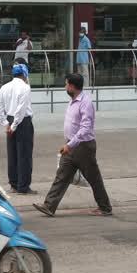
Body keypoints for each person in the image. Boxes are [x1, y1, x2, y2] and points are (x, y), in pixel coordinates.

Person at [33, 73, 113, 217]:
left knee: (93, 178)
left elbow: (85, 128)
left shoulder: (85, 103)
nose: (65, 87)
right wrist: (69, 144)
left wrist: (71, 144)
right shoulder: (73, 100)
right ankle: (49, 206)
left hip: (83, 147)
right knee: (62, 176)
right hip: (71, 145)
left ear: (72, 86)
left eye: (66, 84)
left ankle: (105, 207)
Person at [0, 63, 35, 195]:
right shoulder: (25, 87)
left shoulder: (4, 87)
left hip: (10, 120)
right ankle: (23, 186)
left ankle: (14, 183)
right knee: (24, 155)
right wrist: (14, 125)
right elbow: (21, 110)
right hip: (22, 122)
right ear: (24, 74)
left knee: (12, 154)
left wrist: (6, 124)